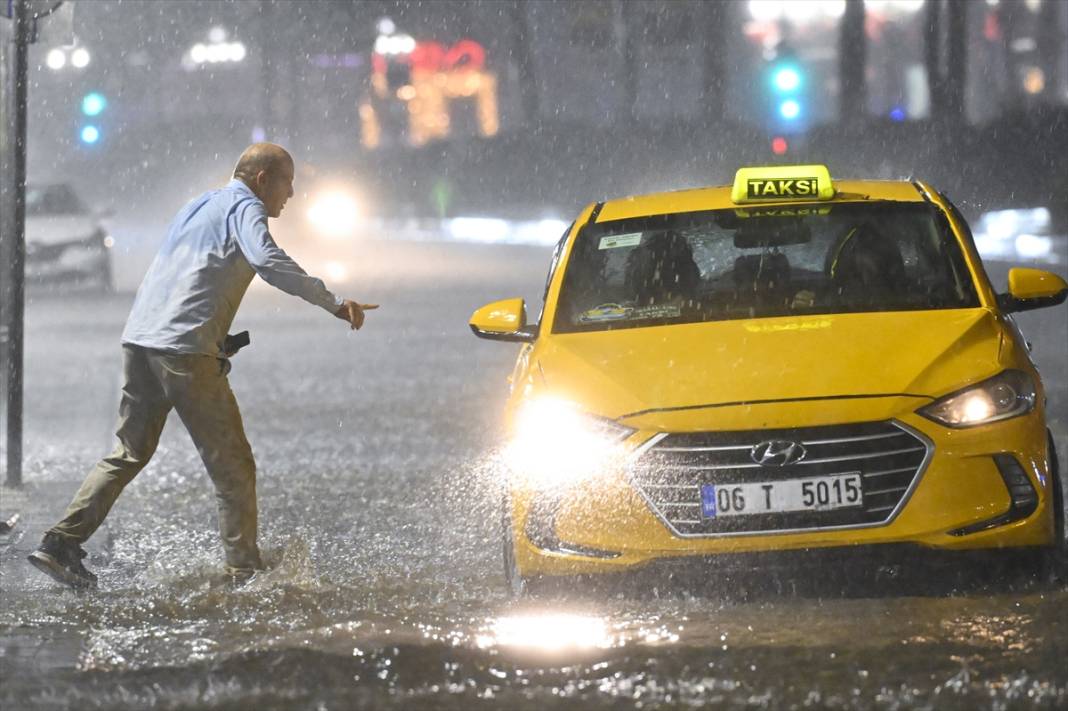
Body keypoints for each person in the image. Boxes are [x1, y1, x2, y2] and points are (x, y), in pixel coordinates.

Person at [27, 143, 377, 589]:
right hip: (183, 350)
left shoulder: (199, 205)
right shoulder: (247, 208)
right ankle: (243, 574)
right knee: (232, 465)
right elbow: (268, 262)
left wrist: (212, 337)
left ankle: (59, 543)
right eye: (288, 182)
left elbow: (187, 273)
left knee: (127, 453)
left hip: (141, 341)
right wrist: (332, 303)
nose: (291, 194)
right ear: (262, 178)